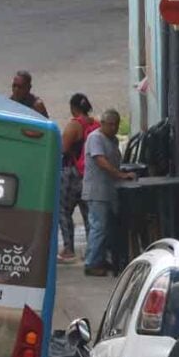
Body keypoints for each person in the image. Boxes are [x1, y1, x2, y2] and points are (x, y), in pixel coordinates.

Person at [82, 109, 135, 276]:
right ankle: (91, 263)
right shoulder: (95, 138)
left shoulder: (112, 140)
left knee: (107, 228)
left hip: (108, 191)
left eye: (116, 125)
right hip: (97, 191)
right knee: (99, 227)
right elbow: (101, 162)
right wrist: (121, 175)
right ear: (103, 124)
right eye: (110, 124)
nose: (113, 128)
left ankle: (102, 259)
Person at [58, 93, 99, 263]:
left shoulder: (74, 126)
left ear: (73, 108)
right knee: (88, 213)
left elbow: (63, 149)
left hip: (72, 173)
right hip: (90, 174)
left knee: (63, 211)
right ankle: (92, 250)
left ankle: (68, 249)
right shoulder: (96, 124)